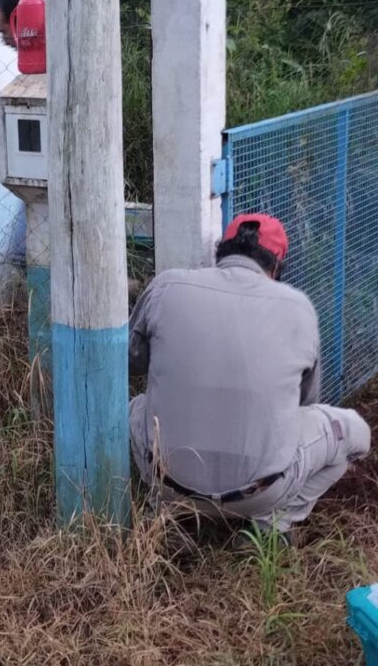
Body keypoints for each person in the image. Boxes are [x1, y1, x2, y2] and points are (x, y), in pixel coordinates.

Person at [129, 213, 371, 541]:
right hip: (262, 492)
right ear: (277, 266)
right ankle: (272, 526)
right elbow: (305, 402)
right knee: (355, 431)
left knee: (135, 407)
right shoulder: (298, 308)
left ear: (220, 253)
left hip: (166, 481)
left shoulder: (167, 286)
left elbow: (132, 362)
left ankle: (165, 514)